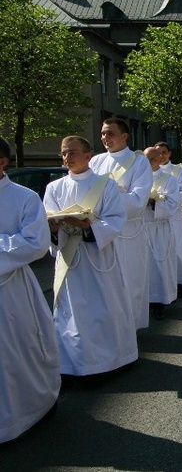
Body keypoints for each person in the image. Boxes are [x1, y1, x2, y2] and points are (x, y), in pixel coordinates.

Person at [43, 136, 137, 377]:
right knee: (71, 312)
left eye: (73, 152)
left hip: (98, 258)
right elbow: (47, 220)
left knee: (103, 309)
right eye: (64, 153)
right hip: (69, 259)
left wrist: (87, 227)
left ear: (88, 156)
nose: (67, 158)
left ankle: (110, 361)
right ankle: (72, 364)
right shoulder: (54, 188)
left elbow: (116, 219)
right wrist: (52, 230)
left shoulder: (105, 185)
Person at [0, 138, 60, 444]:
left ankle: (26, 411)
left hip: (10, 290)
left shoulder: (24, 198)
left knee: (14, 353)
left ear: (2, 161)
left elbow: (35, 243)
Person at [90, 118, 153, 330]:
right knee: (104, 284)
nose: (105, 138)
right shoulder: (96, 161)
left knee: (130, 282)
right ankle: (108, 331)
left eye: (110, 133)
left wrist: (108, 196)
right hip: (101, 231)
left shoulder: (138, 162)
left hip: (128, 232)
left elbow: (138, 200)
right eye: (103, 133)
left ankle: (129, 332)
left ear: (125, 136)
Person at [143, 147, 180, 320]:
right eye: (146, 158)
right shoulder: (137, 179)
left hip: (159, 228)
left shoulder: (169, 179)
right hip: (140, 228)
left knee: (158, 266)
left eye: (153, 158)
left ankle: (159, 302)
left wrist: (153, 201)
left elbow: (173, 204)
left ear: (160, 159)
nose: (150, 162)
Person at [154, 142, 182, 295]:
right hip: (154, 216)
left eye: (163, 152)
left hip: (173, 213)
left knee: (178, 249)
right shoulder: (146, 170)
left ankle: (180, 281)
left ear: (169, 153)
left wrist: (169, 200)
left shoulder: (178, 171)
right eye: (158, 153)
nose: (160, 156)